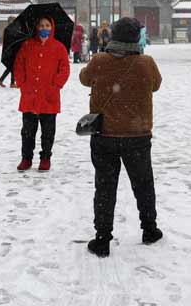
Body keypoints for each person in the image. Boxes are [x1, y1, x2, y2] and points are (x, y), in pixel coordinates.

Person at [79, 17, 163, 258]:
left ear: (113, 36)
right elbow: (156, 85)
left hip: (105, 134)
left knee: (105, 186)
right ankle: (149, 229)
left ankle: (102, 238)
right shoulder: (146, 63)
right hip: (138, 134)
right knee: (143, 184)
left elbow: (84, 79)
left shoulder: (99, 60)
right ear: (137, 38)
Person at [13, 16, 70, 172]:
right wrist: (22, 84)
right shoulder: (27, 45)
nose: (44, 28)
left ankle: (45, 158)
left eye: (47, 25)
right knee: (27, 132)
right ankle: (26, 158)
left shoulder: (59, 47)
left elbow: (64, 69)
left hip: (49, 96)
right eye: (41, 25)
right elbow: (18, 66)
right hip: (29, 95)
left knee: (48, 132)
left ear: (52, 27)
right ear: (36, 27)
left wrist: (55, 85)